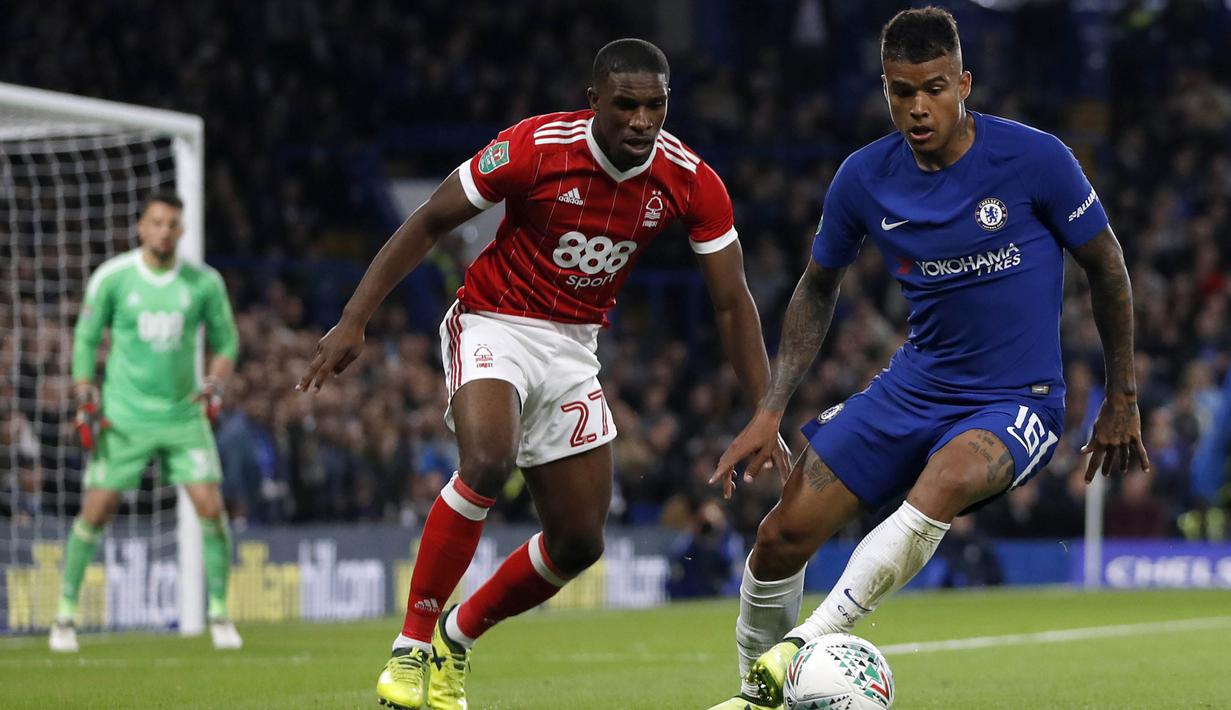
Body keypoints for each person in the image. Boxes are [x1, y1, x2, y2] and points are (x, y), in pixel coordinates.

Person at [296, 38, 787, 710]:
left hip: (573, 347)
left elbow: (732, 304)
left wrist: (764, 410)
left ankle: (454, 637)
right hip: (493, 319)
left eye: (656, 105)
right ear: (594, 101)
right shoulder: (534, 147)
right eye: (627, 105)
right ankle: (410, 650)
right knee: (488, 462)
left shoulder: (688, 179)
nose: (643, 120)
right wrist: (355, 318)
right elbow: (433, 218)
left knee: (580, 540)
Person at [705, 8, 1150, 709]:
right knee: (778, 537)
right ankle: (753, 695)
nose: (917, 107)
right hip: (912, 389)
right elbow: (817, 286)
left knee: (945, 479)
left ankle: (796, 653)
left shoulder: (1035, 160)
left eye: (934, 87)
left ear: (963, 82)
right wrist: (769, 409)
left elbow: (1108, 267)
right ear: (883, 90)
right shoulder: (862, 179)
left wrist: (1121, 398)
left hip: (1017, 398)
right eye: (899, 91)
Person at [51, 192, 242, 652]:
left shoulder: (203, 282)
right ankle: (64, 615)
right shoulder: (114, 277)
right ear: (141, 227)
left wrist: (215, 383)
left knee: (211, 508)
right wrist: (82, 389)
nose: (164, 231)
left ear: (181, 230)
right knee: (96, 511)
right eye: (156, 222)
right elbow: (85, 336)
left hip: (182, 414)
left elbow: (227, 342)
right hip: (123, 415)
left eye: (172, 224)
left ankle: (218, 613)